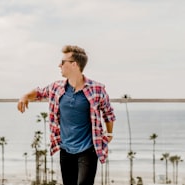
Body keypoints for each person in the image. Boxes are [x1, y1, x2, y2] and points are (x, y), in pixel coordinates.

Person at [17, 45, 116, 185]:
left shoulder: (97, 89)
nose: (59, 65)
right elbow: (39, 92)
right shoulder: (57, 88)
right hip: (65, 150)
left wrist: (110, 133)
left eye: (63, 62)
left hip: (88, 150)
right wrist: (25, 96)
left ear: (74, 65)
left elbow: (108, 113)